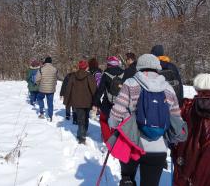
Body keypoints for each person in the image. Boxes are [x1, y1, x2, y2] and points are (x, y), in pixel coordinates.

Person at [109, 54, 181, 186]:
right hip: (158, 148)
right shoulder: (168, 88)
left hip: (131, 144)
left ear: (139, 67)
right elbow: (176, 119)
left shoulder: (130, 83)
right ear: (157, 68)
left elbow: (116, 114)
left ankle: (127, 179)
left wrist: (114, 126)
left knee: (127, 179)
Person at [63, 60, 97, 144]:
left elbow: (68, 89)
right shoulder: (89, 76)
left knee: (81, 118)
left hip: (77, 101)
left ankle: (82, 134)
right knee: (85, 118)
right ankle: (82, 135)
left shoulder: (73, 76)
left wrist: (66, 101)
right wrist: (96, 100)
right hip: (87, 101)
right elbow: (94, 89)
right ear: (86, 67)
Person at [93, 56, 124, 143]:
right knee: (116, 122)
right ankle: (115, 140)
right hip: (120, 103)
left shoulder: (106, 74)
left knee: (103, 120)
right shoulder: (124, 73)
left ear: (109, 64)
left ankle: (107, 140)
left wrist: (95, 103)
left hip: (107, 102)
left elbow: (100, 90)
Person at [35, 56, 63, 122]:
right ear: (51, 62)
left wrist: (36, 83)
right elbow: (60, 77)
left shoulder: (41, 69)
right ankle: (50, 116)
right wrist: (64, 79)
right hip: (51, 89)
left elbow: (37, 79)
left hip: (42, 89)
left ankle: (41, 113)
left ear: (45, 62)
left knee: (39, 98)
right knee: (50, 102)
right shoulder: (55, 69)